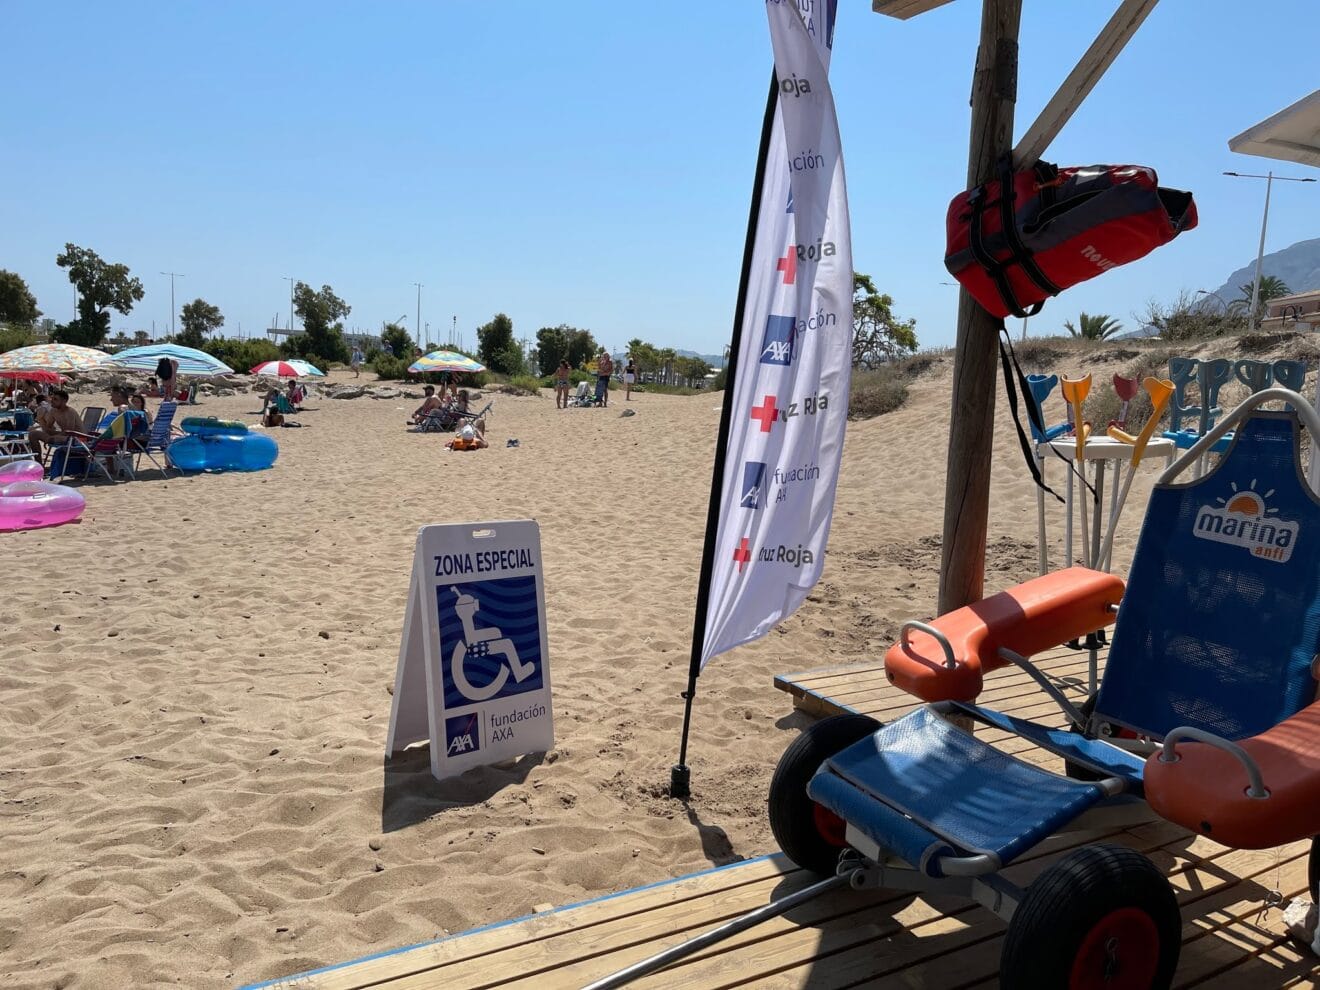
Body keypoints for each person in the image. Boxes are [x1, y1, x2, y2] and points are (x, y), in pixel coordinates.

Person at [26, 389, 81, 462]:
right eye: (52, 398)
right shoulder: (54, 411)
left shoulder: (70, 412)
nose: (52, 401)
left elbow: (69, 432)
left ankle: (51, 440)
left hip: (77, 438)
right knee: (33, 434)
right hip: (64, 435)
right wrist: (40, 419)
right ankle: (38, 463)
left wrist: (51, 437)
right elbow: (48, 429)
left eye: (55, 399)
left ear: (64, 401)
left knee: (53, 438)